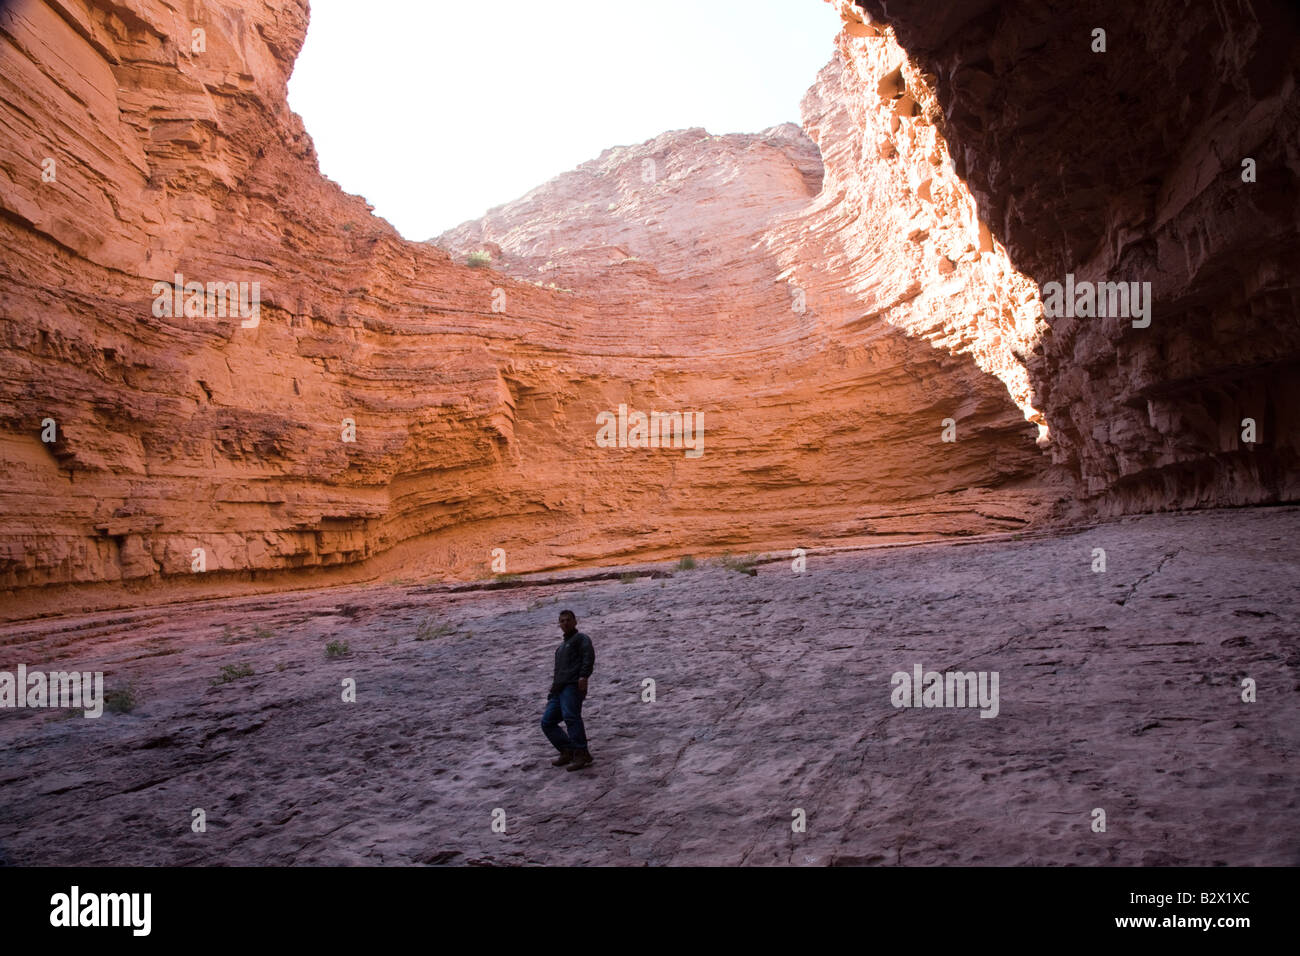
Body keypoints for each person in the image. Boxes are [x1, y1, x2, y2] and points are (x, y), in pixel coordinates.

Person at [541, 609, 594, 771]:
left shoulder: (581, 639)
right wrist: (552, 692)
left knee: (571, 717)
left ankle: (581, 753)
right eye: (562, 621)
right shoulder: (560, 648)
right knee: (547, 722)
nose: (565, 623)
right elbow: (558, 672)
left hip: (573, 685)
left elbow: (588, 657)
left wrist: (583, 676)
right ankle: (567, 750)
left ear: (575, 621)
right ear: (559, 624)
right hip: (559, 689)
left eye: (568, 620)